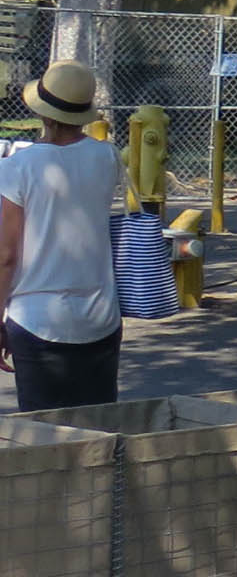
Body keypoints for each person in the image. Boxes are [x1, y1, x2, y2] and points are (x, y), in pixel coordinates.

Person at [0, 60, 125, 411]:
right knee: (100, 426)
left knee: (45, 432)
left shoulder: (17, 168)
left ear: (45, 114)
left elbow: (6, 255)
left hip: (36, 319)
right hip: (101, 316)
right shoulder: (107, 156)